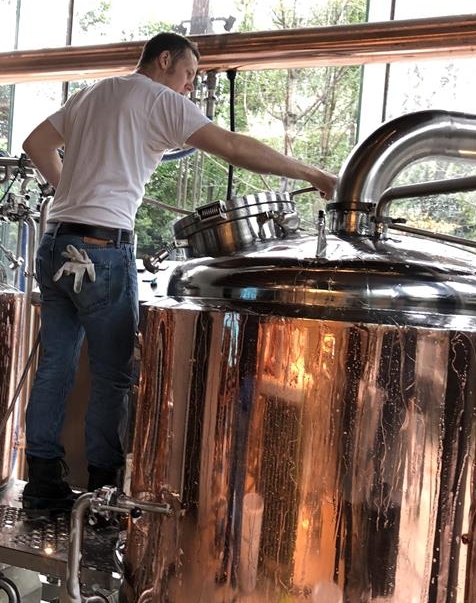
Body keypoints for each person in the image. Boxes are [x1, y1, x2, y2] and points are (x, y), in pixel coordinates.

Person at [20, 32, 338, 513]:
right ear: (164, 60)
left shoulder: (93, 92)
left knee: (55, 366)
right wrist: (315, 175)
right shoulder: (159, 99)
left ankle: (42, 486)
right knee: (111, 376)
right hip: (103, 249)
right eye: (188, 74)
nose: (189, 87)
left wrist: (72, 195)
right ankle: (104, 493)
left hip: (56, 241)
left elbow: (36, 143)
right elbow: (232, 146)